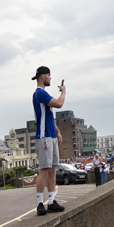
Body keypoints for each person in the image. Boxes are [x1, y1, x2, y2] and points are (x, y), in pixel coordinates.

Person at [31, 66, 66, 215]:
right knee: (44, 170)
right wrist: (64, 92)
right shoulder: (39, 93)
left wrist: (57, 132)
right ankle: (40, 203)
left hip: (50, 136)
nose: (50, 78)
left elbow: (50, 117)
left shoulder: (44, 94)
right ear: (42, 77)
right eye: (49, 76)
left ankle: (51, 201)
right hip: (44, 137)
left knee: (52, 170)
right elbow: (59, 104)